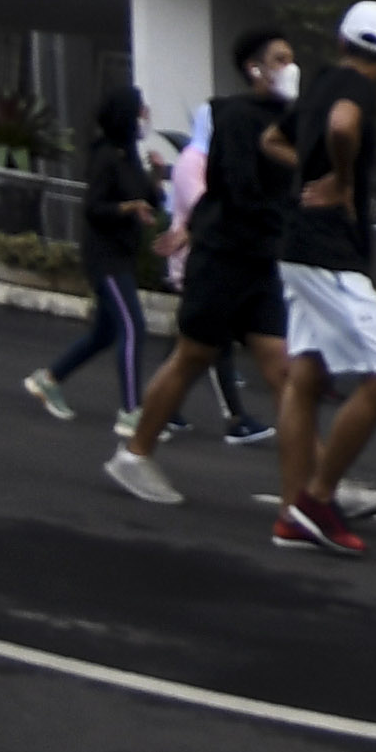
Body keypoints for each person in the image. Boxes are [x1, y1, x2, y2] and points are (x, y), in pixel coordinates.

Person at [106, 25, 301, 504]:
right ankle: (134, 455)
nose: (291, 68)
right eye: (280, 59)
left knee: (283, 372)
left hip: (260, 264)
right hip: (223, 257)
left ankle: (315, 486)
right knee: (192, 357)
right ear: (255, 69)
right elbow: (239, 186)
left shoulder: (293, 120)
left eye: (292, 59)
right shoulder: (231, 115)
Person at [270, 2, 376, 553]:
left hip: (298, 245)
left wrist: (308, 170)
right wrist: (340, 181)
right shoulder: (357, 88)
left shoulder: (321, 81)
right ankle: (318, 499)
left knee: (305, 377)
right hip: (329, 251)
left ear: (341, 40)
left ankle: (291, 511)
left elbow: (271, 142)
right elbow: (344, 126)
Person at [32, 89, 161, 421]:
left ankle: (49, 379)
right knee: (133, 328)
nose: (145, 115)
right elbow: (93, 208)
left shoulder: (129, 154)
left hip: (123, 254)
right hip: (106, 259)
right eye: (139, 111)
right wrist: (127, 207)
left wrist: (157, 179)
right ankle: (131, 411)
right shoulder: (104, 156)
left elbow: (149, 200)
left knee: (105, 332)